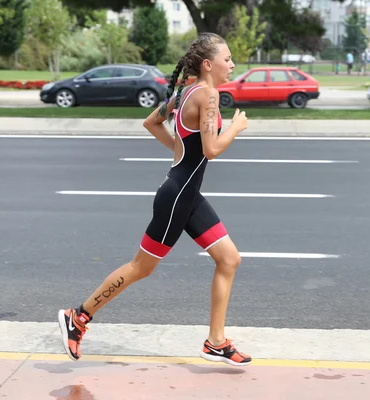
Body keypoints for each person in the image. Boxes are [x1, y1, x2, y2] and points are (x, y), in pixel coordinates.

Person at [57, 32, 251, 367]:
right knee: (141, 268)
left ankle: (216, 342)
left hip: (185, 194)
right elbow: (211, 149)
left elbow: (152, 122)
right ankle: (78, 317)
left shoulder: (186, 91)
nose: (232, 64)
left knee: (229, 259)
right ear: (209, 64)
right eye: (227, 59)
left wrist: (180, 153)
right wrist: (235, 127)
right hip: (177, 198)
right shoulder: (206, 95)